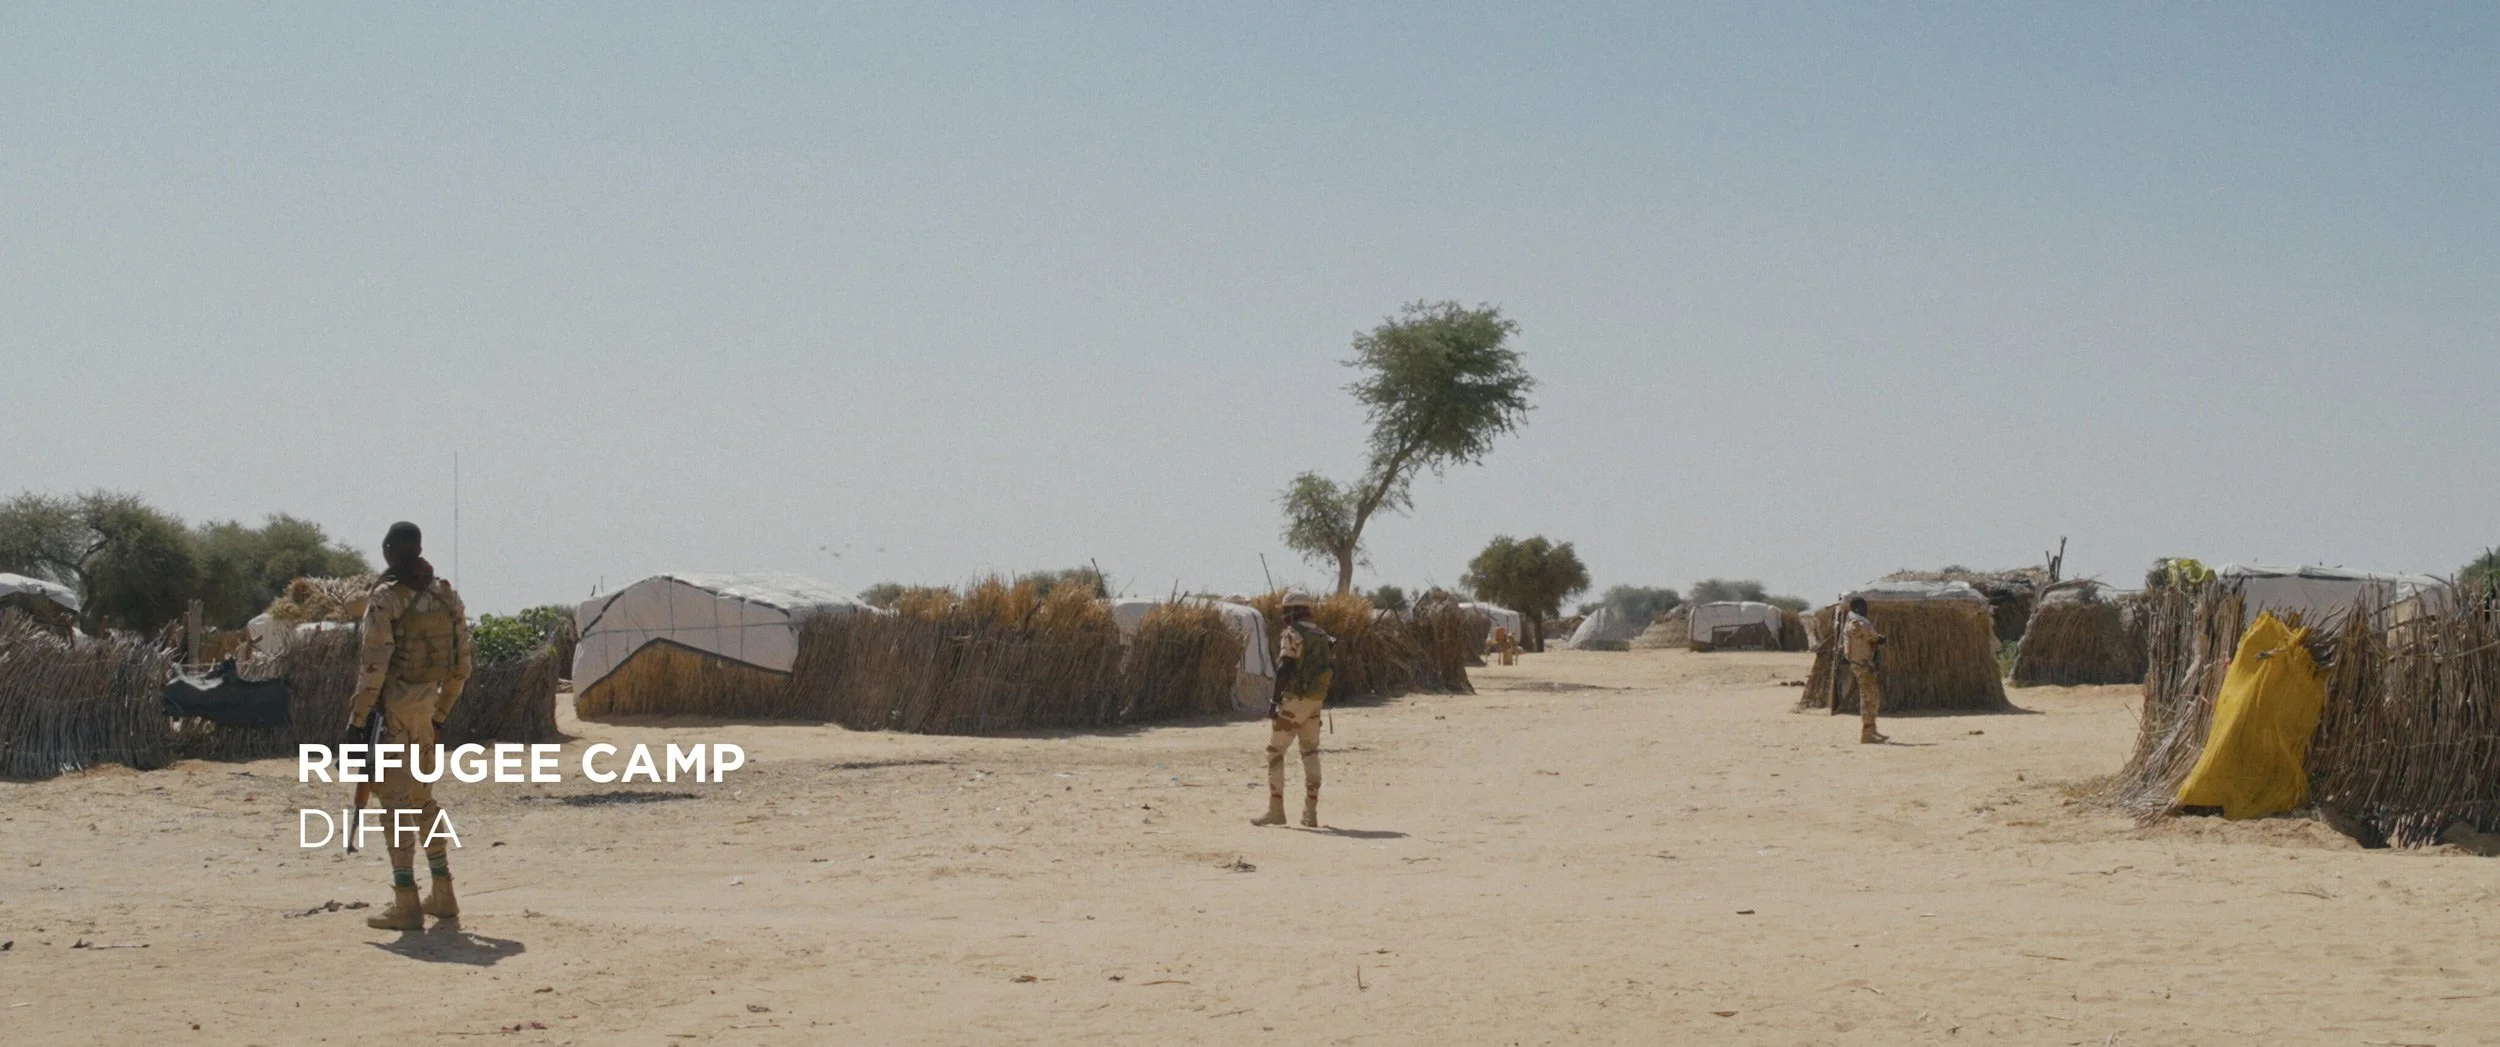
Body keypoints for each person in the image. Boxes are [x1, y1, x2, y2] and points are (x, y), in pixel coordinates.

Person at [346, 521, 473, 930]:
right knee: (423, 801)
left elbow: (374, 665)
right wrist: (440, 715)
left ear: (388, 550)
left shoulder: (386, 598)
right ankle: (443, 892)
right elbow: (462, 667)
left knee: (396, 806)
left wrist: (358, 720)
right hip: (427, 712)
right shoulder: (445, 595)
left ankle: (406, 902)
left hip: (393, 714)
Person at [1253, 592, 1334, 827]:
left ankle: (1276, 810)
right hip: (1315, 700)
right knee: (1310, 752)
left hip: (1295, 700)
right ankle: (1310, 812)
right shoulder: (1322, 635)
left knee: (1275, 752)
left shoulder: (1292, 633)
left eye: (1285, 611)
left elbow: (1284, 668)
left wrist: (1274, 702)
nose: (1283, 615)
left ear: (1293, 611)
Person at [1840, 596, 1887, 744]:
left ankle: (1871, 729)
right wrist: (1879, 638)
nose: (1866, 610)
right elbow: (1872, 636)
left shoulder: (1851, 622)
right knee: (1869, 697)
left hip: (1860, 663)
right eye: (1863, 607)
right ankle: (1867, 732)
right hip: (1861, 664)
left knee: (1871, 695)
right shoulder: (1857, 623)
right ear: (1857, 608)